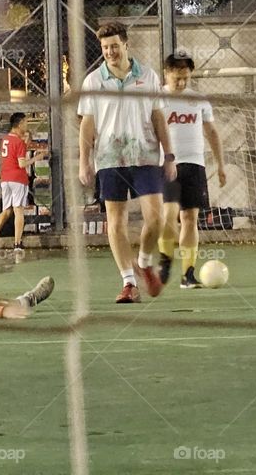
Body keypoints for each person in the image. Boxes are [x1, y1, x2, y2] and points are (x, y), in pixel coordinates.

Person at [77, 21, 178, 304]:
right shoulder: (93, 81)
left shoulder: (148, 76)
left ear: (126, 44)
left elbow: (159, 117)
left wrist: (169, 155)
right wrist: (84, 162)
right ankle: (129, 283)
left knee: (156, 219)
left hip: (146, 157)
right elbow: (87, 124)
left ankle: (144, 262)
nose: (110, 52)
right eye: (105, 48)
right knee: (115, 223)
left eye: (114, 46)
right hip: (109, 160)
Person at [155, 50, 227, 288]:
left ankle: (188, 274)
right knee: (168, 216)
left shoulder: (198, 99)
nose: (182, 82)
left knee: (189, 218)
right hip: (166, 165)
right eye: (177, 77)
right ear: (167, 73)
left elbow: (211, 132)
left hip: (194, 164)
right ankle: (165, 261)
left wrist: (221, 165)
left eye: (186, 77)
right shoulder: (155, 98)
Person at [0, 112, 48, 253]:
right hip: (18, 179)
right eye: (25, 122)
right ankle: (17, 243)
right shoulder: (18, 142)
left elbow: (15, 152)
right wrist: (37, 158)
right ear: (19, 124)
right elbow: (21, 163)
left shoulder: (6, 140)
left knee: (6, 211)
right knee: (18, 210)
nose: (27, 125)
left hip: (5, 178)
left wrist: (27, 141)